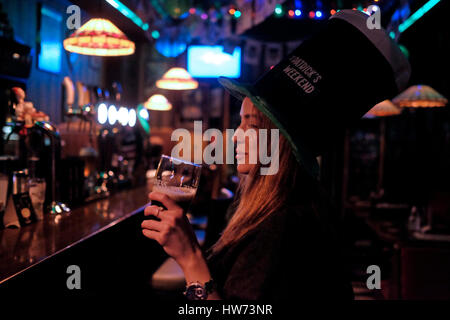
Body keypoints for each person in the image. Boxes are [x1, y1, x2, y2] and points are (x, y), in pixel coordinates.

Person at [141, 9, 411, 300]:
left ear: (281, 143)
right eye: (241, 121)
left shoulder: (282, 225)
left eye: (253, 124)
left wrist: (190, 257)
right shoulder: (263, 204)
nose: (237, 134)